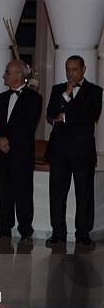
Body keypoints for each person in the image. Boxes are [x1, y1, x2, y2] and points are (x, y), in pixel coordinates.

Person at [45, 55, 103, 248]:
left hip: (83, 150)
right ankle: (58, 233)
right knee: (57, 193)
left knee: (84, 193)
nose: (71, 73)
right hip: (59, 150)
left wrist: (65, 116)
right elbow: (50, 113)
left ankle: (83, 233)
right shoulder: (57, 90)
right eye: (68, 69)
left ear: (83, 70)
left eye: (75, 69)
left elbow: (89, 116)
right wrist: (65, 94)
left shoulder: (95, 91)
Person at [0, 60, 43, 244]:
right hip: (2, 155)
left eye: (8, 72)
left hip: (20, 155)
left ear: (19, 75)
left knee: (24, 194)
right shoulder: (1, 98)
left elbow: (26, 125)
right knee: (4, 194)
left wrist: (7, 140)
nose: (4, 75)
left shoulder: (34, 99)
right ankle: (4, 228)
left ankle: (26, 231)